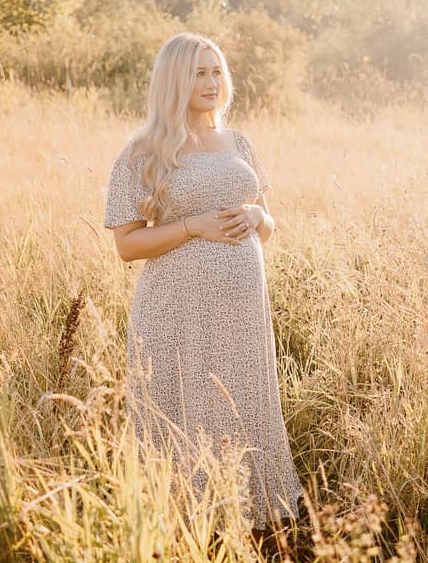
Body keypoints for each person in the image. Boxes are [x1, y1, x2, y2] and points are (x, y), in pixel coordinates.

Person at [103, 32, 305, 532]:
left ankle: (252, 525)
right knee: (185, 414)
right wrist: (193, 226)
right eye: (198, 72)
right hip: (177, 310)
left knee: (242, 408)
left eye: (216, 71)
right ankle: (185, 529)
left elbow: (270, 226)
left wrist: (258, 213)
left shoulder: (239, 143)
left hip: (241, 313)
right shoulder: (143, 151)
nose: (212, 82)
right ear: (174, 80)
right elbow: (127, 244)